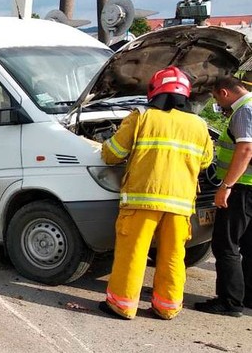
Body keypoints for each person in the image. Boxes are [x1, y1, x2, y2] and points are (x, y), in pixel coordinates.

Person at [99, 66, 213, 320]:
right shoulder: (199, 125)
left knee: (134, 253)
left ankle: (122, 305)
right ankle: (167, 307)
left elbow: (112, 154)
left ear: (154, 91)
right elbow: (205, 162)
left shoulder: (141, 117)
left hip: (142, 199)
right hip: (181, 204)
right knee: (173, 255)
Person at [195, 75, 252, 317]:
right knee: (249, 245)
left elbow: (246, 149)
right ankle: (246, 296)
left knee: (226, 244)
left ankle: (230, 302)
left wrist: (226, 185)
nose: (218, 103)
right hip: (249, 188)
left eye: (216, 97)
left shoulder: (243, 111)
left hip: (242, 189)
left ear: (224, 92)